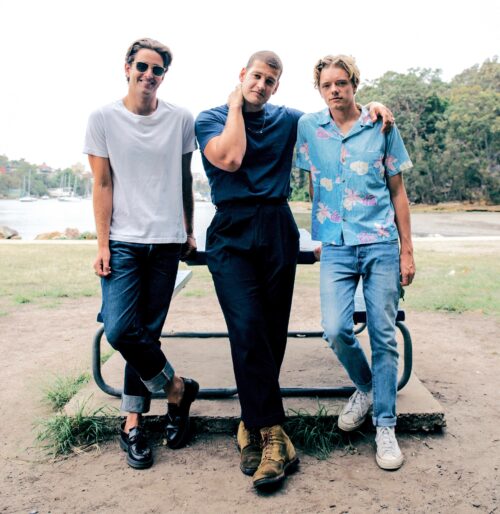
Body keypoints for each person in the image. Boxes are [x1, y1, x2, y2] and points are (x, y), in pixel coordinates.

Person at [195, 50, 394, 489]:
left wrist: (372, 109)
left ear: (278, 86)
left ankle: (251, 426)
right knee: (246, 328)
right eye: (256, 77)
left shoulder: (290, 120)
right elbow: (230, 158)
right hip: (231, 230)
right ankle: (275, 437)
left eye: (270, 81)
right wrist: (235, 106)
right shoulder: (210, 118)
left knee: (271, 333)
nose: (261, 86)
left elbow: (336, 116)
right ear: (242, 74)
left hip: (277, 226)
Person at [83, 38, 199, 470]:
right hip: (123, 242)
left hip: (166, 242)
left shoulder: (180, 119)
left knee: (146, 333)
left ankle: (133, 422)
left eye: (157, 69)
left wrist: (188, 229)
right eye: (143, 67)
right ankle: (177, 389)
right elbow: (102, 184)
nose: (149, 75)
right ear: (127, 68)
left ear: (164, 76)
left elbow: (184, 179)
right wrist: (102, 244)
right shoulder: (103, 118)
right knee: (120, 330)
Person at [296, 54, 416, 471]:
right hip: (336, 246)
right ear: (319, 89)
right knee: (334, 329)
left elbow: (398, 192)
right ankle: (367, 387)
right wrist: (321, 232)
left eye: (342, 83)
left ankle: (386, 425)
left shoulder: (381, 124)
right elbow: (314, 182)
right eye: (327, 84)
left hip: (380, 241)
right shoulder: (309, 128)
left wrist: (406, 250)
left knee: (383, 335)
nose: (335, 90)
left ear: (354, 85)